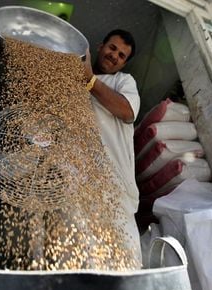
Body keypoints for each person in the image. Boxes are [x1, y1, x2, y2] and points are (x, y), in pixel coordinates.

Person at [83, 29, 142, 268]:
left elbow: (127, 111)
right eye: (112, 48)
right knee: (83, 258)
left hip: (115, 186)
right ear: (100, 46)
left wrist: (90, 80)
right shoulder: (72, 85)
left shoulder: (123, 82)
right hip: (80, 183)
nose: (114, 56)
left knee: (125, 262)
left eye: (122, 55)